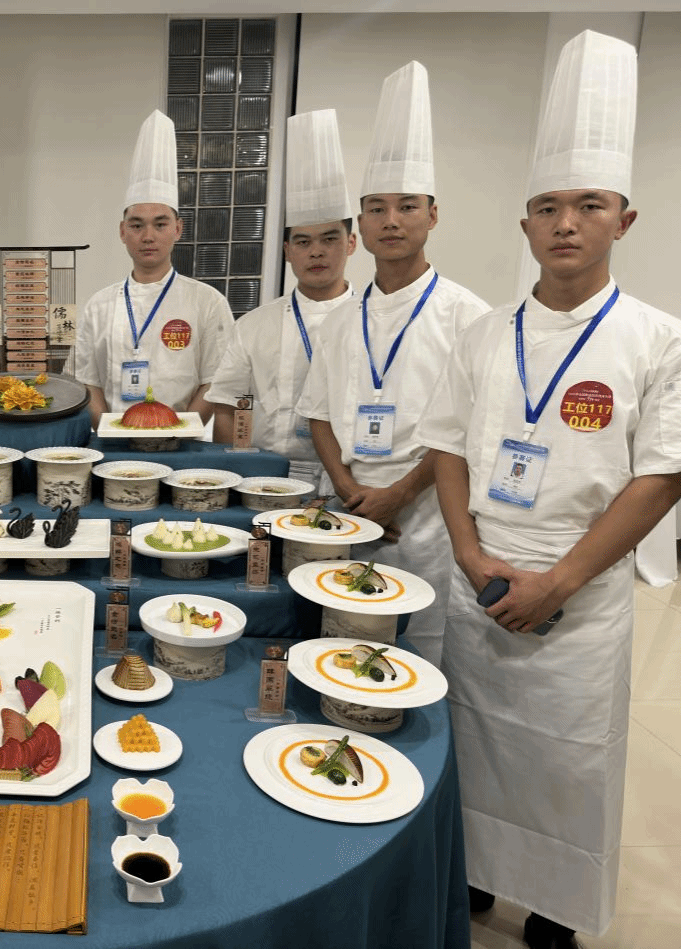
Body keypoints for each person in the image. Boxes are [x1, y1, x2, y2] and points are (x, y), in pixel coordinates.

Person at [416, 32, 681, 948]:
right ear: (525, 224)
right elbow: (447, 448)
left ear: (624, 220)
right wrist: (467, 553)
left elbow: (661, 475)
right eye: (548, 207)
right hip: (482, 571)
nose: (567, 223)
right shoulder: (484, 333)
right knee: (476, 740)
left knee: (568, 757)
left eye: (589, 205)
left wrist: (560, 580)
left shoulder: (657, 337)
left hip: (582, 589)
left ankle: (558, 905)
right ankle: (479, 873)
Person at [295, 62, 490, 666]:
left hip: (428, 519)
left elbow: (463, 433)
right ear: (362, 223)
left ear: (433, 214)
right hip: (350, 513)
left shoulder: (468, 316)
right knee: (339, 645)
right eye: (377, 208)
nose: (392, 220)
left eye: (408, 206)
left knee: (415, 651)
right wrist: (350, 489)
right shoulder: (342, 318)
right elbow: (318, 415)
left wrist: (398, 495)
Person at [207, 109, 356, 486]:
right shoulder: (254, 325)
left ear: (351, 243)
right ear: (288, 251)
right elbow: (226, 406)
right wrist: (238, 475)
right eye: (303, 242)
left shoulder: (369, 322)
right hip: (263, 476)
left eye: (329, 239)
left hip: (349, 481)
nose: (316, 252)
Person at [72, 110, 231, 428]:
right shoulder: (99, 305)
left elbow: (216, 380)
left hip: (184, 443)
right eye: (137, 225)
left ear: (178, 229)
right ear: (122, 231)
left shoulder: (207, 301)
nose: (148, 236)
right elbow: (87, 380)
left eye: (160, 224)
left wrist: (178, 431)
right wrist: (113, 431)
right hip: (113, 443)